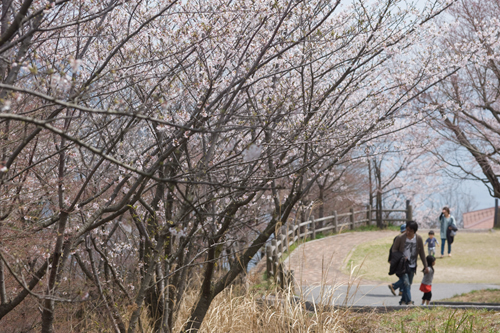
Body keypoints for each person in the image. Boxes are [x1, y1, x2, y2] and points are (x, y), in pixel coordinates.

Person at [391, 220, 429, 305]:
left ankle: (403, 301)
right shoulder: (400, 238)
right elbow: (394, 250)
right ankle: (409, 302)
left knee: (408, 284)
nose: (407, 232)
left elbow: (422, 253)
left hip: (412, 265)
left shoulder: (418, 239)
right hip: (402, 265)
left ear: (414, 231)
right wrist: (401, 257)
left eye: (410, 231)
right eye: (407, 230)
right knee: (406, 283)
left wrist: (425, 266)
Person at [388, 224, 406, 296]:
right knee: (404, 276)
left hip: (398, 259)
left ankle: (401, 291)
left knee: (402, 275)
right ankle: (394, 286)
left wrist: (390, 259)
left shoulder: (398, 238)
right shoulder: (402, 238)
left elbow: (391, 249)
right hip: (400, 260)